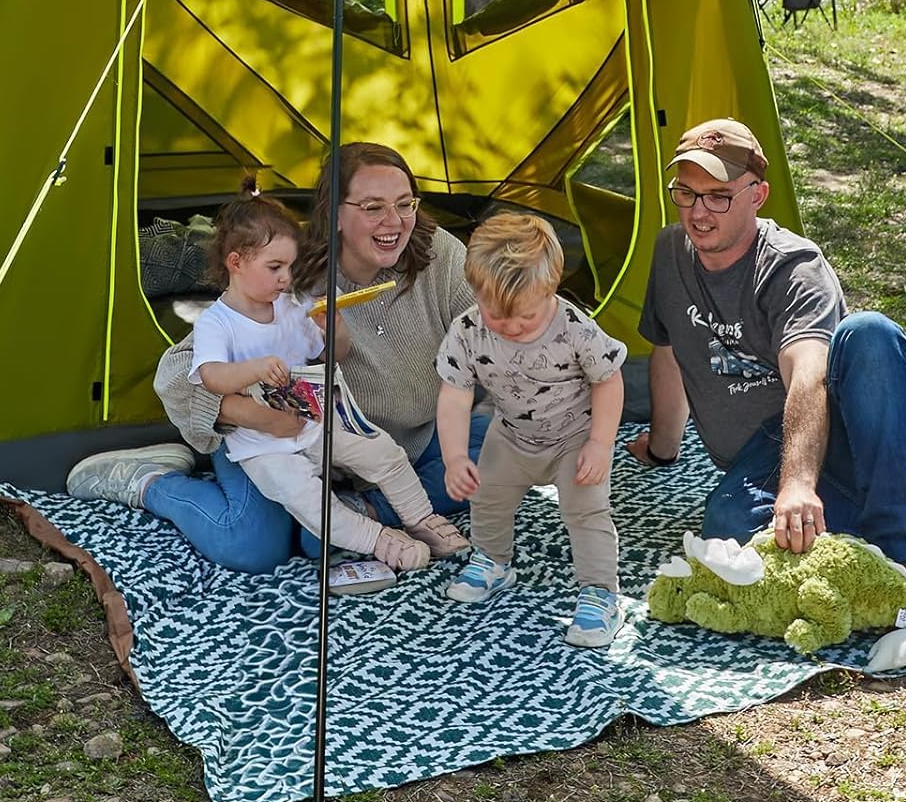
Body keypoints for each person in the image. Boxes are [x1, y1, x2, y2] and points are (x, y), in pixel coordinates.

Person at [628, 117, 906, 658]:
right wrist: (664, 447)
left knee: (870, 334)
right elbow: (668, 347)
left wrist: (798, 485)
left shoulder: (794, 267)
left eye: (718, 196)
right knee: (727, 534)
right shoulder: (669, 252)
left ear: (758, 195)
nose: (698, 212)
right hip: (755, 456)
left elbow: (809, 374)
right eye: (685, 193)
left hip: (826, 427)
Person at [67, 143, 491, 572]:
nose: (394, 222)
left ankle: (363, 511)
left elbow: (491, 334)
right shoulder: (288, 272)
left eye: (404, 204)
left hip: (402, 440)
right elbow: (176, 375)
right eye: (373, 207)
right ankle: (150, 481)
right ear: (334, 214)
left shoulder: (438, 254)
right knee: (249, 544)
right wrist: (251, 414)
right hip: (279, 440)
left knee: (506, 451)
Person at [184, 184, 466, 570]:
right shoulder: (216, 323)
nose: (286, 278)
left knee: (383, 452)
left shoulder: (289, 306)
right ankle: (379, 540)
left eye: (290, 267)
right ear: (236, 262)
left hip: (312, 421)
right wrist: (254, 369)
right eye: (275, 268)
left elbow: (333, 354)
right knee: (310, 501)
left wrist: (333, 328)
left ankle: (422, 518)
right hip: (263, 447)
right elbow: (210, 376)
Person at [437, 213, 628, 648]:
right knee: (487, 496)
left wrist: (600, 444)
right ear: (476, 293)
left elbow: (608, 380)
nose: (511, 327)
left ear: (551, 289)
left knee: (585, 509)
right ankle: (493, 561)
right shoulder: (467, 331)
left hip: (575, 436)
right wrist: (455, 457)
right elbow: (455, 395)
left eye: (525, 315)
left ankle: (600, 593)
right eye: (496, 315)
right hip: (511, 434)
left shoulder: (574, 328)